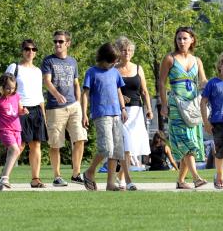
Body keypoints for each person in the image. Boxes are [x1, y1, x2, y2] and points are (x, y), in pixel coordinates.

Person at [159, 26, 207, 189]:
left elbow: (203, 82)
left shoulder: (197, 60)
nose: (181, 41)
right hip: (176, 105)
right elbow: (161, 82)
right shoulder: (170, 59)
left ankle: (180, 181)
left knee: (192, 140)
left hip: (193, 106)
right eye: (179, 38)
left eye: (185, 38)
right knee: (184, 141)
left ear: (192, 40)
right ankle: (196, 177)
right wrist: (164, 105)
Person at [80, 43, 129, 191]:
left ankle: (110, 183)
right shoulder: (91, 72)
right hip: (101, 114)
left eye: (115, 61)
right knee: (106, 148)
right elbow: (85, 94)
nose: (114, 64)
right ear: (102, 59)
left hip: (116, 114)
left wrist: (123, 108)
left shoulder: (115, 72)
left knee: (117, 150)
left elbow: (119, 91)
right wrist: (84, 114)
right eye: (111, 61)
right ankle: (89, 172)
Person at [41, 30, 87, 186]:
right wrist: (56, 94)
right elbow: (47, 81)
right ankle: (57, 176)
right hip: (55, 108)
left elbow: (76, 84)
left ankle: (76, 174)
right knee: (55, 143)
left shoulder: (73, 62)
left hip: (74, 106)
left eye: (60, 41)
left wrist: (80, 105)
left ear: (68, 43)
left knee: (80, 138)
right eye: (55, 41)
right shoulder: (48, 61)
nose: (57, 44)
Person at [5, 39, 48, 187]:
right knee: (19, 145)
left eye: (33, 49)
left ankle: (35, 179)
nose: (30, 52)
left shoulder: (38, 71)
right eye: (27, 49)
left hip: (36, 109)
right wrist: (17, 106)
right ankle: (5, 176)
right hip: (20, 110)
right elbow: (5, 88)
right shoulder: (14, 67)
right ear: (22, 51)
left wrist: (44, 114)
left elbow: (39, 94)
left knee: (36, 145)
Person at [114, 35, 153, 190]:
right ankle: (126, 179)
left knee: (133, 146)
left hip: (137, 111)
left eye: (129, 50)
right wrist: (120, 97)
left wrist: (149, 108)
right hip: (120, 112)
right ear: (119, 51)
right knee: (126, 146)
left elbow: (144, 91)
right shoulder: (114, 69)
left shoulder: (138, 68)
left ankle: (120, 176)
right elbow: (110, 90)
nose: (127, 53)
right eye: (124, 50)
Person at [0, 74, 28, 190]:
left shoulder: (16, 96)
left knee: (13, 154)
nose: (11, 90)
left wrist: (24, 111)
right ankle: (5, 178)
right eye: (8, 88)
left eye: (13, 88)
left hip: (17, 129)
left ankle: (1, 177)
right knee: (15, 150)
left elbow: (19, 110)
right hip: (5, 130)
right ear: (1, 86)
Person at [200, 51, 223, 189]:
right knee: (220, 151)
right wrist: (206, 122)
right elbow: (203, 102)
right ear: (220, 65)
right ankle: (219, 175)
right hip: (218, 122)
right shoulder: (212, 83)